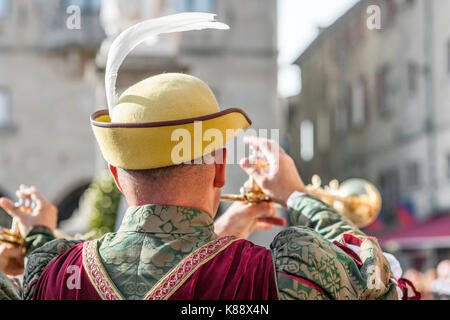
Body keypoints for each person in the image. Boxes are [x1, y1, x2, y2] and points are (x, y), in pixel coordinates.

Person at [0, 72, 404, 300]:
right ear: (220, 170)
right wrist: (296, 195)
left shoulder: (50, 275)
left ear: (116, 175)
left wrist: (38, 233)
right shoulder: (279, 275)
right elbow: (380, 282)